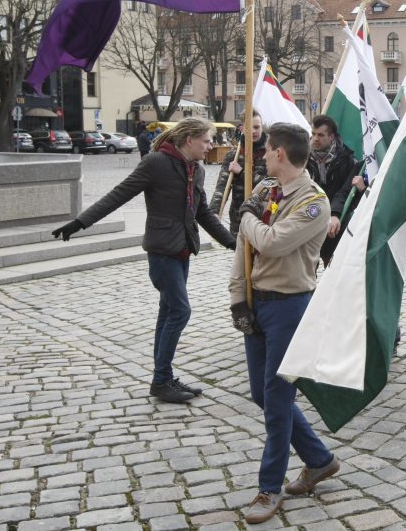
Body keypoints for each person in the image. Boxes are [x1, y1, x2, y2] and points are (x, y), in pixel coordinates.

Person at [51, 118, 236, 403]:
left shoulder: (196, 169)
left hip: (183, 250)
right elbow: (118, 195)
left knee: (168, 312)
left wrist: (231, 242)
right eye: (207, 140)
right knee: (180, 311)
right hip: (162, 252)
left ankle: (164, 377)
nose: (211, 146)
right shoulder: (156, 163)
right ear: (190, 140)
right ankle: (161, 381)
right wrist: (80, 223)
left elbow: (203, 213)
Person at [228, 123, 339, 524]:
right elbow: (245, 246)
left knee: (277, 403)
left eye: (268, 148)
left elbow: (271, 242)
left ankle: (268, 488)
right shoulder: (262, 192)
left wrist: (246, 220)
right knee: (261, 393)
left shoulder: (314, 203)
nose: (263, 154)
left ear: (279, 153)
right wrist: (238, 297)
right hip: (257, 303)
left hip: (290, 307)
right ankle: (320, 459)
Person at [306, 115, 357, 266]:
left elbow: (345, 191)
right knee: (306, 273)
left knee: (334, 270)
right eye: (313, 133)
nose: (315, 139)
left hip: (336, 224)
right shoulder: (304, 158)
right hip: (310, 222)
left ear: (331, 137)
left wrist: (335, 214)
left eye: (320, 135)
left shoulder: (346, 160)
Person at [209, 111, 268, 236]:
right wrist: (214, 211)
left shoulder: (270, 154)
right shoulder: (233, 155)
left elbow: (270, 184)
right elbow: (222, 187)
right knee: (239, 254)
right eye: (249, 127)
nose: (253, 131)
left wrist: (242, 172)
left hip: (264, 216)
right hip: (239, 217)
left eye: (257, 127)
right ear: (242, 129)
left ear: (262, 127)